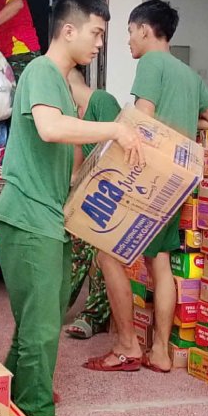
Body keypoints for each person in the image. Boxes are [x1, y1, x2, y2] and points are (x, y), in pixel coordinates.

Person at [0, 0, 143, 416]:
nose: (100, 44)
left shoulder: (58, 81)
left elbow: (65, 148)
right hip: (29, 216)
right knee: (40, 322)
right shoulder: (41, 70)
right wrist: (114, 130)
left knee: (41, 316)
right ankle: (38, 411)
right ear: (68, 30)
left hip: (48, 217)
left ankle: (18, 388)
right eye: (96, 33)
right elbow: (50, 128)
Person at [87, 0, 208, 374]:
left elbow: (143, 119)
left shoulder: (151, 62)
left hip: (148, 176)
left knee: (107, 253)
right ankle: (161, 352)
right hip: (178, 179)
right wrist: (185, 126)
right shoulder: (189, 75)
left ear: (145, 30)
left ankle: (127, 346)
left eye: (130, 32)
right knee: (159, 261)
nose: (128, 41)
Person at [64, 67, 122, 340]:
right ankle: (54, 305)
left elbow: (118, 151)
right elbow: (77, 168)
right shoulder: (75, 114)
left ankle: (94, 316)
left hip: (112, 194)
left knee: (99, 253)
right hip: (92, 194)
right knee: (72, 245)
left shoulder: (101, 101)